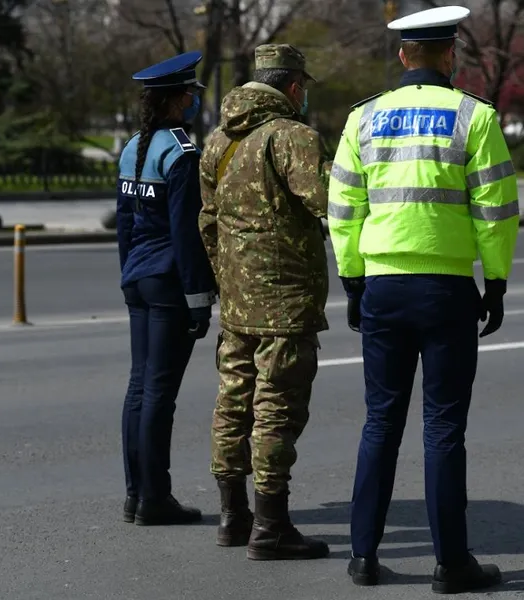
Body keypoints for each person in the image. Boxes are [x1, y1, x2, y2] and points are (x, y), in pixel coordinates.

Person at [327, 5, 519, 593]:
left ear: (404, 55)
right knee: (442, 427)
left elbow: (342, 210)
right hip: (447, 291)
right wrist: (498, 282)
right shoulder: (474, 118)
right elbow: (496, 211)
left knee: (380, 422)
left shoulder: (362, 118)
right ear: (450, 55)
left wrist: (353, 282)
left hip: (382, 286)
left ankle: (363, 556)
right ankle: (451, 564)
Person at [198, 44, 332, 560]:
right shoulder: (291, 137)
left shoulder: (218, 141)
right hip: (284, 302)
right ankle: (271, 525)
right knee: (276, 407)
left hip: (235, 302)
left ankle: (233, 517)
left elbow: (207, 223)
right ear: (294, 88)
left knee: (232, 402)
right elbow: (329, 203)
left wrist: (230, 277)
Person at [116, 51, 218, 527]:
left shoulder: (133, 146)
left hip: (138, 276)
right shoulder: (180, 151)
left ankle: (136, 494)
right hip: (168, 281)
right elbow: (187, 232)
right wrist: (199, 300)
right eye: (192, 96)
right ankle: (155, 498)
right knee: (158, 393)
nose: (195, 102)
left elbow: (124, 224)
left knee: (139, 389)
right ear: (179, 100)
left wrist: (127, 273)